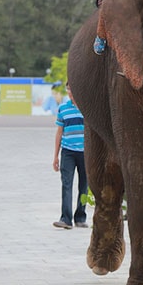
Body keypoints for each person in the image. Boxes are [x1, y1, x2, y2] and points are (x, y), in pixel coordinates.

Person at [52, 83, 88, 230]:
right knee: (66, 184)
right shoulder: (63, 109)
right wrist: (55, 156)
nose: (70, 91)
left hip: (86, 152)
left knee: (84, 185)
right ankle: (66, 219)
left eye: (73, 88)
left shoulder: (87, 106)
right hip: (67, 152)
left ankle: (80, 217)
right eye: (68, 89)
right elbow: (59, 132)